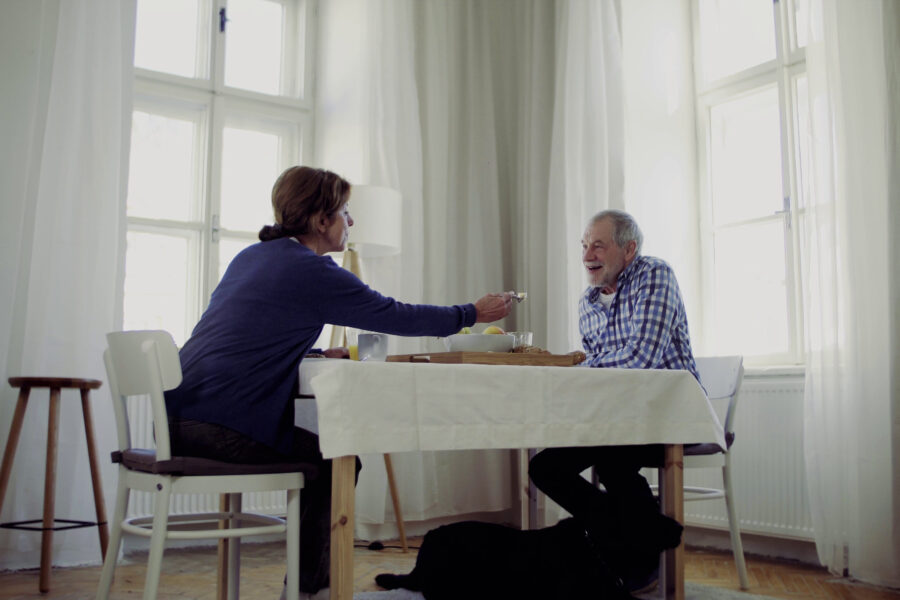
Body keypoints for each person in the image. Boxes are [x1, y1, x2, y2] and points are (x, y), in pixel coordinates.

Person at [164, 166, 513, 600]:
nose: (352, 222)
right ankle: (311, 592)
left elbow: (243, 337)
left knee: (325, 459)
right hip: (222, 427)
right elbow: (392, 314)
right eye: (346, 212)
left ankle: (310, 587)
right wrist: (471, 313)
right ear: (320, 221)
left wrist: (309, 353)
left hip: (177, 420)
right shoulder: (310, 270)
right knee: (335, 463)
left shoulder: (252, 257)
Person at [528, 209, 699, 594]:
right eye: (585, 245)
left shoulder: (654, 276)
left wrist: (575, 372)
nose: (588, 254)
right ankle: (631, 532)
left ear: (629, 249)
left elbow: (641, 360)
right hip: (615, 418)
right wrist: (574, 372)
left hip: (671, 414)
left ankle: (642, 560)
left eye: (599, 245)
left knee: (613, 462)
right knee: (544, 467)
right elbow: (596, 375)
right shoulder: (587, 304)